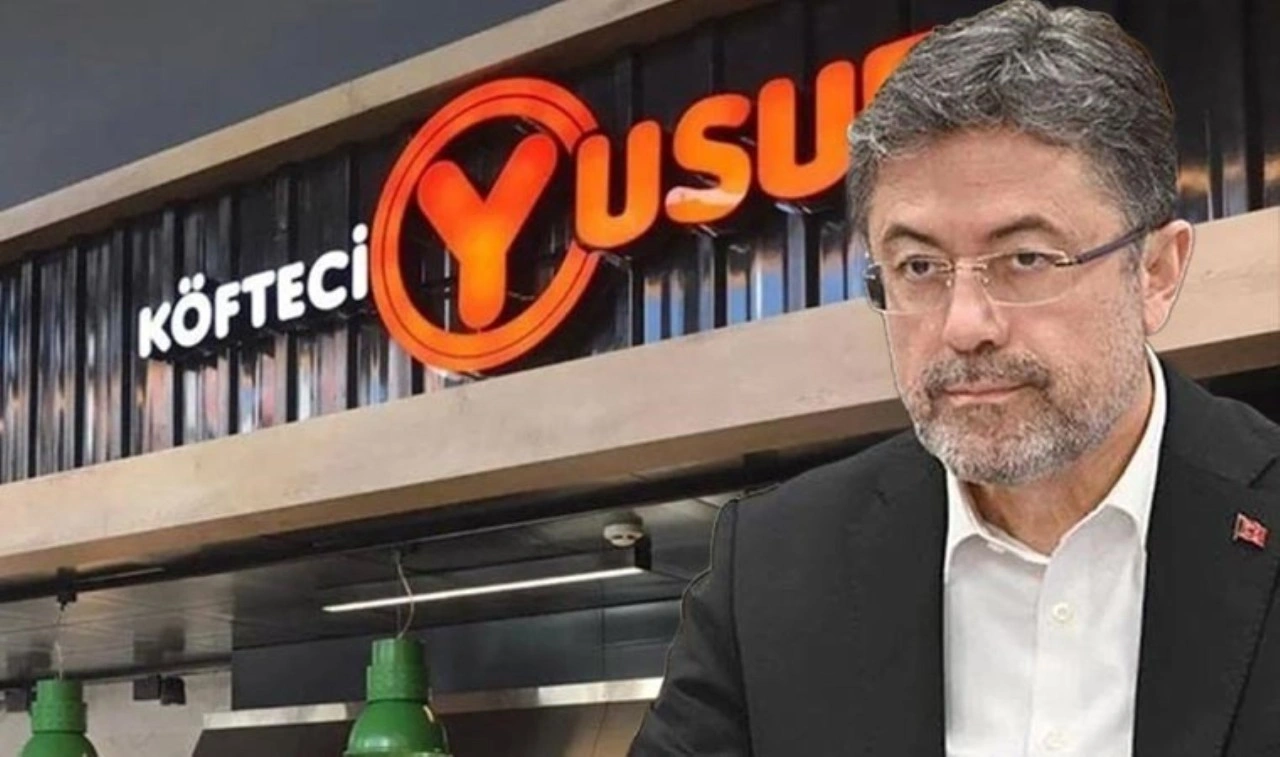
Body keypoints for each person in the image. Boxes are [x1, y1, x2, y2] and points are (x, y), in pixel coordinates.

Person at [628, 1, 1280, 755]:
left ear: (1156, 273)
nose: (964, 324)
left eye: (1027, 258)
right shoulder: (771, 570)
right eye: (918, 266)